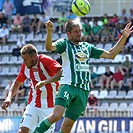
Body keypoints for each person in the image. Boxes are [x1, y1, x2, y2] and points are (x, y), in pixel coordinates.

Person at [33, 19, 133, 133]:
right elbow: (49, 47)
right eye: (76, 31)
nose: (79, 33)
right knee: (56, 115)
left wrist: (124, 37)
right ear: (68, 33)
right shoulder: (64, 44)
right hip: (68, 85)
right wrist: (50, 31)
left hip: (83, 90)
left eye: (80, 31)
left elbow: (111, 55)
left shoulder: (87, 47)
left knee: (67, 127)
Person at [1, 44, 62, 133]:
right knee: (22, 131)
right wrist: (9, 98)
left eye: (25, 59)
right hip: (33, 104)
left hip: (50, 107)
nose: (24, 62)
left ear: (33, 57)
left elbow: (61, 73)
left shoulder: (45, 60)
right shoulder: (25, 67)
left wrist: (45, 82)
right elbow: (17, 83)